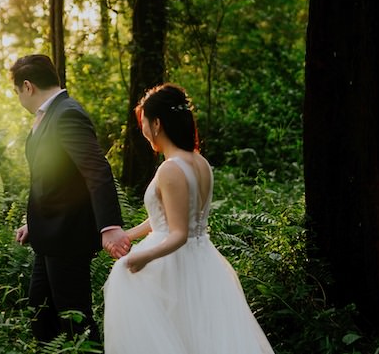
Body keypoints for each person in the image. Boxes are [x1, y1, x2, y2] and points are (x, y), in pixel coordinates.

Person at [103, 83, 276, 354]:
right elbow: (168, 217)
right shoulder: (200, 163)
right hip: (202, 261)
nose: (143, 130)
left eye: (144, 123)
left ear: (157, 123)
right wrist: (130, 235)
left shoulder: (170, 169)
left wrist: (140, 257)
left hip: (172, 264)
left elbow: (178, 233)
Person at [10, 54, 130, 344]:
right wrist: (33, 223)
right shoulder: (48, 116)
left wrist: (109, 226)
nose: (19, 100)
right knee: (41, 314)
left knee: (76, 318)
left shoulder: (67, 114)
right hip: (48, 234)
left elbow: (97, 170)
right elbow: (51, 178)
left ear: (27, 86)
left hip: (68, 236)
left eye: (17, 93)